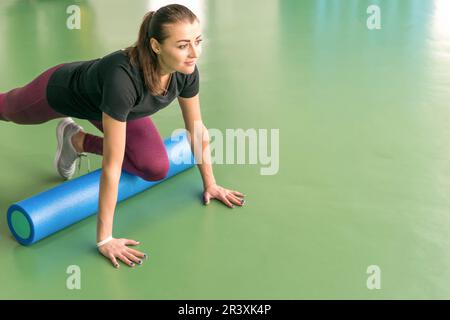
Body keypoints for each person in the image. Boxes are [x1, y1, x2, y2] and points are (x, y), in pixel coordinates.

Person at [0, 4, 245, 269]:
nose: (194, 53)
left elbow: (196, 130)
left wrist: (210, 184)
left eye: (197, 41)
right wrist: (104, 239)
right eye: (183, 45)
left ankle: (76, 140)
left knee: (156, 167)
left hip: (117, 109)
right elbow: (113, 165)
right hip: (63, 92)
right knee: (8, 109)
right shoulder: (123, 79)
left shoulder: (185, 72)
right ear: (156, 46)